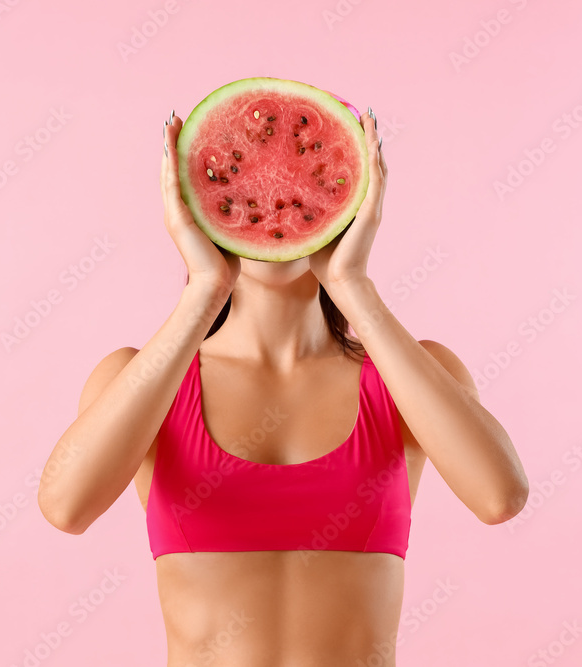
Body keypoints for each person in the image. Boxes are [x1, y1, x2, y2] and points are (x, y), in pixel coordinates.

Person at [38, 106, 528, 666]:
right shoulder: (140, 378)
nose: (274, 198)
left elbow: (500, 496)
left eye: (306, 182)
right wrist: (204, 291)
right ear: (195, 198)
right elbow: (65, 507)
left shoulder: (408, 375)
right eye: (240, 182)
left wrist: (353, 285)